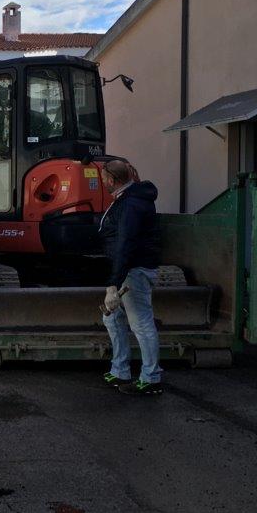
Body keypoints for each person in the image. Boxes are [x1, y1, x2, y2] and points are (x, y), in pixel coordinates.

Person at [97, 159, 164, 396]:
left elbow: (126, 242)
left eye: (104, 178)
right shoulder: (128, 200)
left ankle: (151, 376)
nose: (102, 182)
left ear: (113, 180)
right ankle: (120, 370)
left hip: (133, 270)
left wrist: (113, 283)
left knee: (141, 322)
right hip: (127, 269)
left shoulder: (131, 204)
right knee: (111, 318)